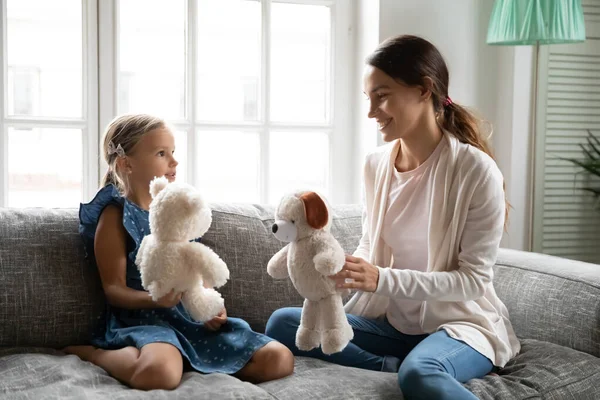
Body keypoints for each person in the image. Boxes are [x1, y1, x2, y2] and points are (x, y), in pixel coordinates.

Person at [265, 35, 520, 400]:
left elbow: (472, 282)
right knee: (283, 322)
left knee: (422, 375)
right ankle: (386, 366)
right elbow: (372, 242)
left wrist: (381, 279)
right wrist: (347, 273)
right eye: (368, 98)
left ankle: (411, 365)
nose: (371, 112)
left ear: (423, 90)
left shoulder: (476, 172)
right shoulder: (376, 165)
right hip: (394, 324)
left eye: (382, 96)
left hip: (459, 324)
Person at [63, 114, 294, 390]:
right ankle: (96, 354)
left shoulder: (177, 210)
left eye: (173, 152)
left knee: (279, 359)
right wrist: (155, 300)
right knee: (160, 374)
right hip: (145, 321)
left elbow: (193, 265)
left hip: (189, 319)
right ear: (127, 163)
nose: (174, 162)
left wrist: (212, 306)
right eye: (162, 153)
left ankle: (191, 358)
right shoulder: (115, 215)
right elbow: (113, 289)